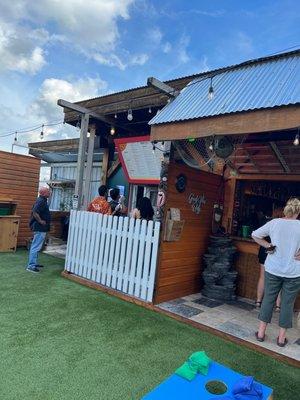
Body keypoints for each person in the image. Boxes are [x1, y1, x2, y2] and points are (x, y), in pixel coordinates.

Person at [252, 198, 300, 347]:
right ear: (298, 211)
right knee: (287, 304)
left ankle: (260, 334)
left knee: (268, 300)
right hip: (293, 272)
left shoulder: (274, 223)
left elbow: (255, 234)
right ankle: (281, 339)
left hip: (273, 269)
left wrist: (268, 245)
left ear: (286, 209)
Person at [256, 207, 282, 310]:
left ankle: (258, 301)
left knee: (262, 277)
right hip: (277, 252)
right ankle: (278, 305)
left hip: (265, 250)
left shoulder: (267, 222)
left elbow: (258, 235)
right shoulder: (283, 225)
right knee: (280, 278)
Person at [27, 187, 51, 273]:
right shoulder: (41, 201)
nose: (50, 192)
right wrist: (40, 221)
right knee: (36, 246)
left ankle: (34, 263)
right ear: (44, 193)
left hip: (40, 228)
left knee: (37, 246)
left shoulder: (42, 200)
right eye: (48, 191)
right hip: (39, 227)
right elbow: (35, 212)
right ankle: (31, 266)